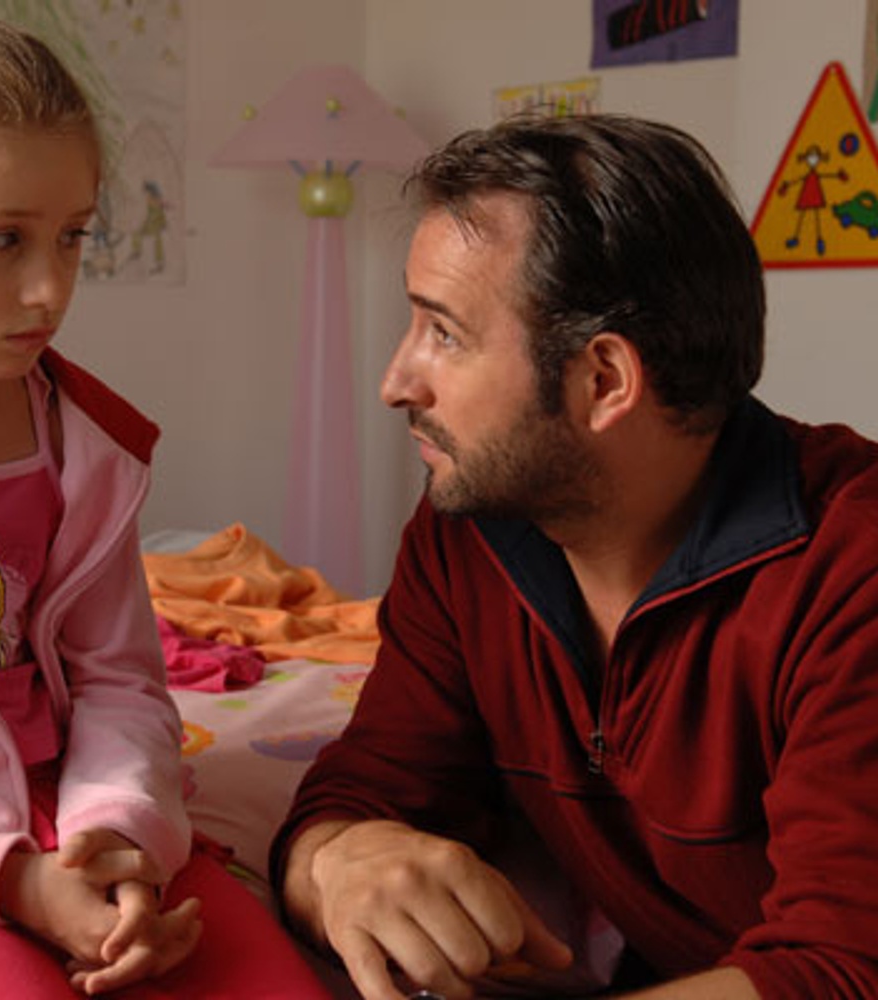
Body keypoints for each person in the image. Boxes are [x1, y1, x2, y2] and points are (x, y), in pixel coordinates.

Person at [270, 111, 878, 999]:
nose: (396, 382)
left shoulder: (851, 569)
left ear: (603, 381)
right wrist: (340, 859)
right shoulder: (468, 536)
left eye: (445, 334)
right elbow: (365, 790)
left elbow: (845, 969)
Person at [0, 10, 331, 999]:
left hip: (67, 815)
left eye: (73, 236)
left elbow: (121, 678)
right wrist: (8, 882)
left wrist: (119, 839)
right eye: (2, 239)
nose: (49, 287)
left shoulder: (83, 441)